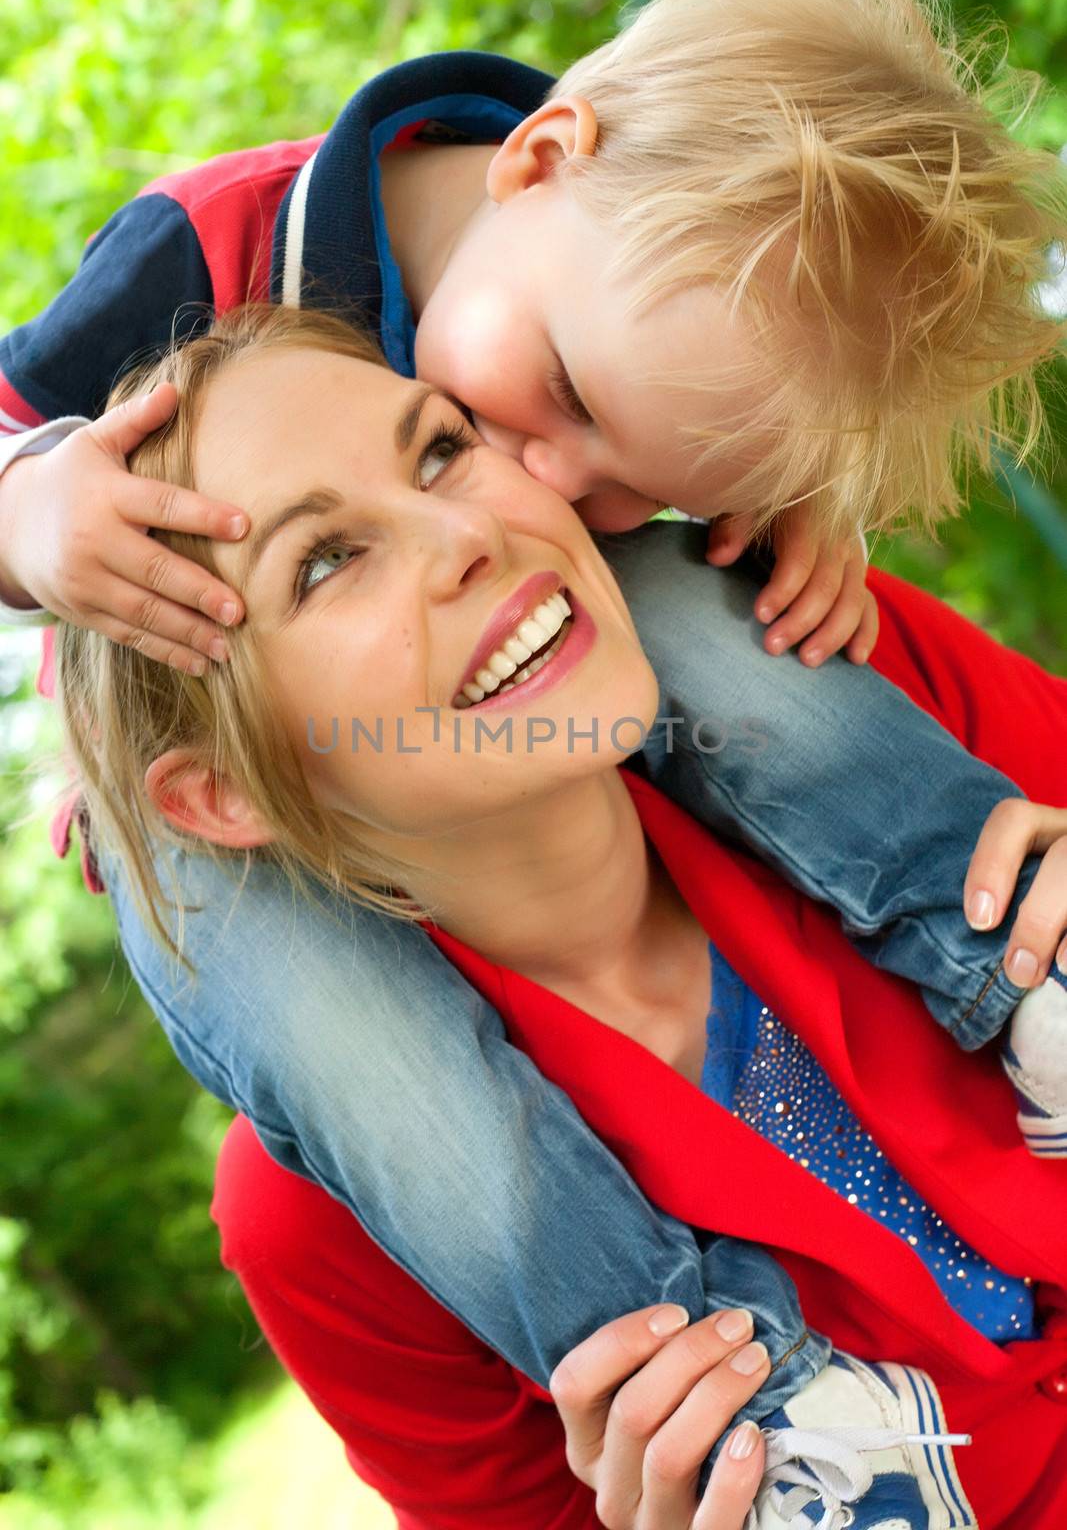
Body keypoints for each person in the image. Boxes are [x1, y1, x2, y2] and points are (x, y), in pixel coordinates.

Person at [3, 0, 1067, 1467]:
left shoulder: (655, 433)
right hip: (152, 700)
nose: (542, 485)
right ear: (532, 157)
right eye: (550, 406)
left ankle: (1016, 975)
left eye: (447, 445)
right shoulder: (206, 242)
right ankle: (743, 1411)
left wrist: (776, 486)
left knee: (730, 627)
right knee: (360, 1055)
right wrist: (33, 511)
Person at [54, 302, 1067, 1528]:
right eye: (323, 562)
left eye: (438, 449)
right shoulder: (325, 1230)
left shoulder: (834, 669)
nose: (467, 529)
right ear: (218, 795)